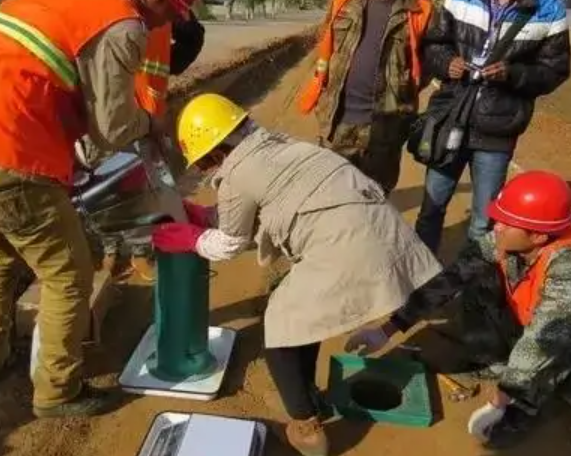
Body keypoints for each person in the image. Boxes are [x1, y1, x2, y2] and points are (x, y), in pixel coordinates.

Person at [0, 0, 207, 419]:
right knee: (68, 272)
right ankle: (57, 391)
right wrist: (151, 124)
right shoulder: (124, 24)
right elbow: (114, 125)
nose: (166, 25)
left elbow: (49, 85)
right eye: (170, 12)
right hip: (3, 155)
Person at [150, 93, 442, 456]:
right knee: (306, 316)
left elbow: (228, 243)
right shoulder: (283, 145)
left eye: (205, 164)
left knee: (280, 329)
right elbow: (261, 208)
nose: (208, 171)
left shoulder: (237, 172)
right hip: (382, 230)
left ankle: (306, 428)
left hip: (343, 248)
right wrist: (205, 217)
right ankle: (310, 399)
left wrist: (189, 238)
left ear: (214, 153)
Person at [346, 171, 571, 448]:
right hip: (531, 327)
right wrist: (389, 328)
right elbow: (451, 279)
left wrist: (505, 396)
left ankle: (524, 409)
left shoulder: (570, 268)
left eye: (507, 223)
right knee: (477, 281)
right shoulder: (508, 239)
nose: (497, 227)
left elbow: (544, 340)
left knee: (550, 349)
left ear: (538, 238)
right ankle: (491, 362)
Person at [413, 0, 571, 254]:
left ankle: (472, 291)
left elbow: (555, 70)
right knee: (431, 207)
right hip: (451, 116)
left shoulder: (549, 9)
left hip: (497, 131)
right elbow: (433, 44)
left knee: (484, 222)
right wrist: (446, 63)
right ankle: (420, 278)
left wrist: (513, 75)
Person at [77, 0, 207, 276]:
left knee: (141, 187)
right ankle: (106, 254)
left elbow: (190, 35)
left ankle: (140, 251)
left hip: (145, 110)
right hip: (99, 111)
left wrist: (177, 50)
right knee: (100, 187)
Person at [296, 0, 434, 194]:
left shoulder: (422, 11)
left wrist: (399, 93)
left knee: (374, 206)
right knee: (328, 200)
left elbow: (425, 69)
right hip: (337, 124)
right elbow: (328, 43)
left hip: (383, 134)